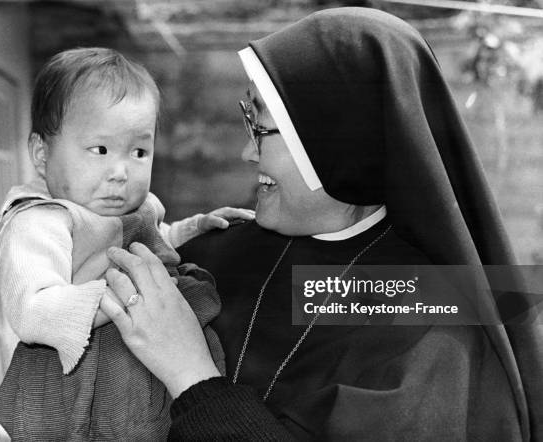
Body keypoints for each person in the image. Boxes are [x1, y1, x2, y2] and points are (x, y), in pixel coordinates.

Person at [100, 8, 543, 441]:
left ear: (337, 140)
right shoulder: (211, 250)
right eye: (247, 118)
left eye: (263, 129)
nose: (246, 154)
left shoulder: (433, 316)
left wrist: (191, 375)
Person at [0, 47, 253, 441]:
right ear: (42, 155)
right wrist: (120, 298)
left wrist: (195, 228)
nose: (120, 172)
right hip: (84, 379)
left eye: (139, 151)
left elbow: (150, 242)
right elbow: (31, 307)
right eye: (100, 150)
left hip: (142, 371)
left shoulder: (136, 205)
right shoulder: (41, 220)